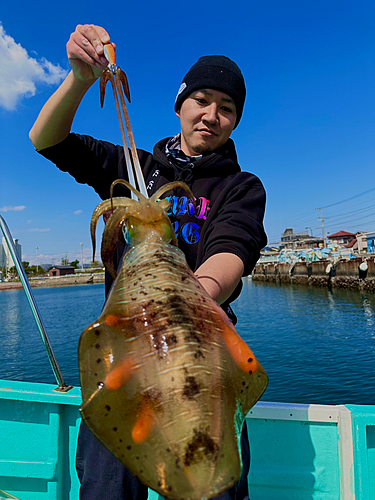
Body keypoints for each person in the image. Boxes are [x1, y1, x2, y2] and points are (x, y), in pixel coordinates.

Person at [30, 24, 267, 500]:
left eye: (227, 108)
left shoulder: (241, 187)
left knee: (212, 484)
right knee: (105, 487)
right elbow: (46, 140)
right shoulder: (132, 167)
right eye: (201, 100)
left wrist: (193, 294)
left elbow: (232, 250)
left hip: (206, 354)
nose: (211, 115)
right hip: (125, 357)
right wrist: (79, 77)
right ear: (180, 104)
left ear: (236, 121)